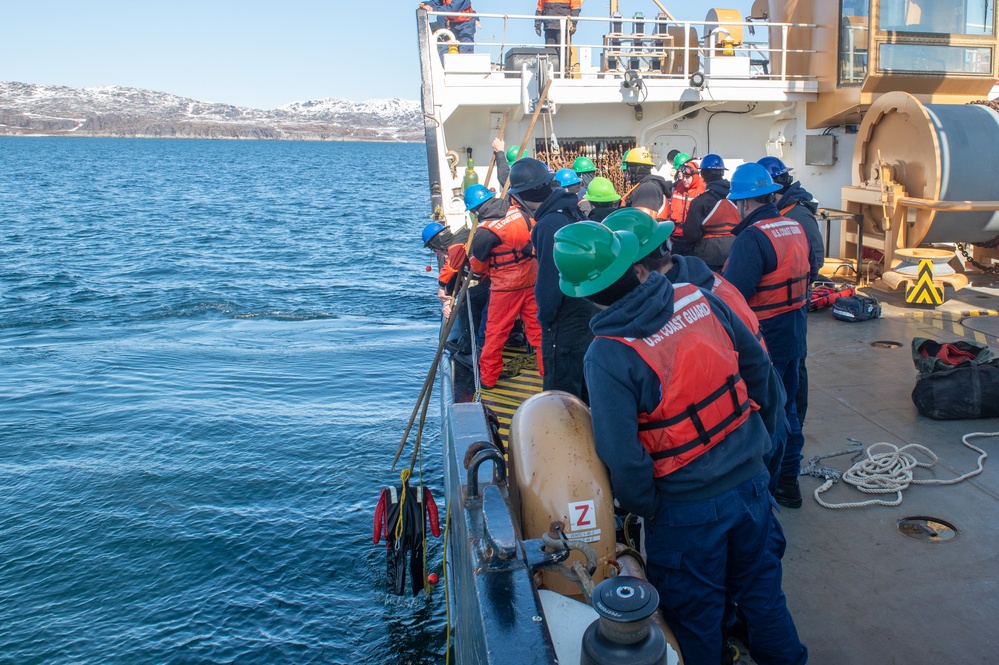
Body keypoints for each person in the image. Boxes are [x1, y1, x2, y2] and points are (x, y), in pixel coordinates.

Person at [552, 221, 807, 665]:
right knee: (763, 594)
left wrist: (647, 506)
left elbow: (621, 454)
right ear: (635, 266)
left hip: (685, 510)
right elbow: (761, 376)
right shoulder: (699, 297)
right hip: (750, 483)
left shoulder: (609, 353)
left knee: (695, 618)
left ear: (583, 294)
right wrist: (760, 448)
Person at [601, 207, 787, 493]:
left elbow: (759, 375)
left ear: (635, 270)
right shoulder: (699, 285)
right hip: (748, 434)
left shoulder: (689, 300)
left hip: (744, 443)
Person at [723, 163, 816, 509]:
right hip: (795, 332)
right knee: (789, 406)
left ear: (744, 203)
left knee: (771, 415)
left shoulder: (753, 238)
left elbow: (732, 296)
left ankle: (772, 484)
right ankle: (788, 481)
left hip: (765, 342)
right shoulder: (794, 226)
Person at [510, 157, 596, 401]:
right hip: (588, 307)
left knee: (561, 391)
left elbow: (549, 278)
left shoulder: (548, 224)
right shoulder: (572, 209)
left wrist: (545, 318)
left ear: (522, 196)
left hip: (566, 318)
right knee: (584, 384)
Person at [758, 156, 825, 435]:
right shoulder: (786, 211)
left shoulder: (797, 214)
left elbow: (816, 255)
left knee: (796, 364)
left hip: (793, 303)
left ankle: (796, 420)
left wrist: (800, 285)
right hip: (787, 301)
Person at [466, 184, 544, 390]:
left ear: (475, 210)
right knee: (538, 331)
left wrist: (473, 261)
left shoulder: (485, 232)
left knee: (496, 333)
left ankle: (488, 379)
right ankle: (548, 374)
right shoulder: (520, 212)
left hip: (505, 288)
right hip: (532, 280)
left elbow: (479, 266)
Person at [421, 220, 489, 365]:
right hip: (493, 279)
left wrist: (440, 287)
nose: (436, 253)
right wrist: (447, 301)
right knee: (472, 297)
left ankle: (472, 348)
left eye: (434, 249)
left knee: (468, 300)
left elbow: (452, 267)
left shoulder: (459, 242)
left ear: (437, 244)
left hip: (501, 278)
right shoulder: (454, 248)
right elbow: (454, 279)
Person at [675, 153, 741, 270]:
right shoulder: (738, 199)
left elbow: (690, 235)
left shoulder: (700, 202)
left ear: (704, 174)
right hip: (735, 251)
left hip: (708, 258)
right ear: (722, 173)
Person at [664, 151, 706, 252]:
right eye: (683, 177)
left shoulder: (702, 190)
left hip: (693, 240)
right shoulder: (678, 189)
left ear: (694, 176)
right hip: (675, 238)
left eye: (687, 177)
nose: (684, 180)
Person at [621, 147, 672, 219]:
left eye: (627, 170)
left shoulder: (647, 189)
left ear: (635, 169)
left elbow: (642, 223)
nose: (624, 175)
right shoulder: (646, 185)